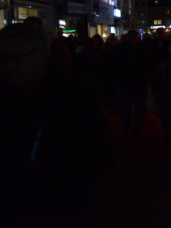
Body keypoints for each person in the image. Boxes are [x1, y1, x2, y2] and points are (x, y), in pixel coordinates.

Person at [0, 23, 114, 225]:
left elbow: (96, 156)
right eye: (3, 58)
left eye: (17, 58)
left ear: (42, 54)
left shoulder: (75, 99)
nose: (8, 66)